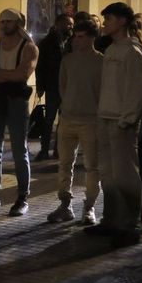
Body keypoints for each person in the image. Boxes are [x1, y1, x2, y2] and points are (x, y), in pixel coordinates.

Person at [88, 2, 142, 248]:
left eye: (110, 18)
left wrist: (128, 119)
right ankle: (111, 220)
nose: (105, 22)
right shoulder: (112, 50)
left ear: (123, 22)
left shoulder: (133, 52)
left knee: (125, 174)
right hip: (105, 118)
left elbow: (139, 88)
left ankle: (129, 225)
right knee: (108, 174)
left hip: (121, 121)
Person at [50, 16, 103, 224]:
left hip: (91, 120)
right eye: (75, 37)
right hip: (68, 119)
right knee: (64, 164)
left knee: (92, 166)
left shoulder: (101, 61)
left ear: (91, 38)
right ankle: (65, 204)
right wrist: (67, 107)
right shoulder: (68, 60)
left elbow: (103, 90)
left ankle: (89, 207)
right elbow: (63, 86)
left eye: (81, 37)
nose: (76, 41)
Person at [0, 9, 37, 215]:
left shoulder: (28, 48)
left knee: (19, 150)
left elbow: (22, 74)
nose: (4, 25)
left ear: (18, 24)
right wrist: (9, 76)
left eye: (8, 21)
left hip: (16, 103)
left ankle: (23, 197)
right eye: (1, 21)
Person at [34, 13, 73, 162]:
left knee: (64, 122)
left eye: (71, 24)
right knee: (49, 120)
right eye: (68, 23)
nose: (70, 26)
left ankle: (58, 150)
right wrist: (40, 86)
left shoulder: (73, 42)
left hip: (68, 87)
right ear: (58, 24)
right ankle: (44, 149)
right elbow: (40, 66)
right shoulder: (47, 43)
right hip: (52, 86)